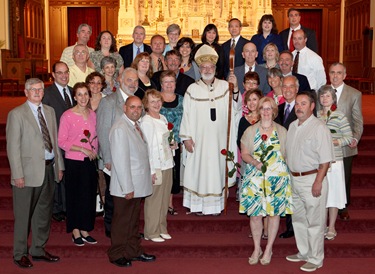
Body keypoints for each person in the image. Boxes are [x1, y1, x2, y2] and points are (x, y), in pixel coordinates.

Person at [7, 78, 63, 268]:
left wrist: (59, 166)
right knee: (23, 215)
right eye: (33, 90)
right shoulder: (17, 114)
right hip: (27, 173)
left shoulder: (49, 111)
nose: (38, 92)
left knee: (43, 214)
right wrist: (17, 174)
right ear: (26, 92)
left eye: (40, 89)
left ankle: (38, 249)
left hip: (48, 168)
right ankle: (19, 253)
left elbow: (54, 141)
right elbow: (12, 147)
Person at [179, 45, 241, 215]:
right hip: (199, 141)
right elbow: (187, 116)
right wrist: (186, 138)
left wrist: (235, 89)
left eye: (210, 67)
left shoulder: (224, 86)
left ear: (215, 68)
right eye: (204, 67)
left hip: (220, 141)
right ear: (199, 69)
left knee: (217, 171)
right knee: (200, 171)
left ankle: (216, 206)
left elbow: (236, 108)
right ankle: (199, 206)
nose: (207, 69)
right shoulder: (192, 89)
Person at [285, 91, 334, 272]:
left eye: (303, 104)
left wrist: (318, 182)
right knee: (298, 219)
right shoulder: (292, 126)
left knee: (315, 221)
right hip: (294, 179)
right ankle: (304, 252)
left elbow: (325, 160)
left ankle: (315, 258)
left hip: (312, 179)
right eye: (297, 104)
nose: (299, 107)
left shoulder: (319, 128)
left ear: (312, 106)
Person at [240, 97, 292, 266]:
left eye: (269, 108)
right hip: (255, 178)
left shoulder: (282, 131)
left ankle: (269, 247)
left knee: (274, 213)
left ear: (274, 111)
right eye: (263, 108)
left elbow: (286, 155)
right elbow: (245, 153)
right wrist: (255, 162)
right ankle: (257, 248)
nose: (266, 111)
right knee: (255, 215)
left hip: (276, 179)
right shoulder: (250, 131)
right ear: (259, 110)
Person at [107, 96, 155, 267]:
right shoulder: (120, 128)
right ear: (124, 108)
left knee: (133, 221)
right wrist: (127, 187)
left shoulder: (135, 125)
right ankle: (117, 254)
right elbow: (120, 162)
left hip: (137, 183)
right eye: (132, 107)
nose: (136, 110)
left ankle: (133, 251)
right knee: (122, 222)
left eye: (139, 107)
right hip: (126, 186)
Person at [97, 68, 139, 238]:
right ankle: (111, 228)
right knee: (114, 196)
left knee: (129, 196)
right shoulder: (108, 102)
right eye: (129, 80)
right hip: (113, 160)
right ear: (120, 80)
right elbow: (102, 130)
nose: (133, 84)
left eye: (136, 81)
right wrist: (107, 158)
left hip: (132, 160)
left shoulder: (136, 101)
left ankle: (127, 227)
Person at [58, 82, 98, 246]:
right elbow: (61, 141)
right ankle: (75, 230)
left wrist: (94, 150)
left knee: (88, 196)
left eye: (85, 94)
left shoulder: (92, 114)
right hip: (74, 161)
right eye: (79, 94)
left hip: (90, 161)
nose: (83, 97)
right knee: (75, 196)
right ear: (74, 97)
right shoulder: (67, 115)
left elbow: (95, 137)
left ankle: (84, 229)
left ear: (89, 96)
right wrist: (82, 149)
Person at [329, 62, 363, 220]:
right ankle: (326, 205)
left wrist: (355, 137)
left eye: (338, 73)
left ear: (344, 75)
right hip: (326, 143)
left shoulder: (354, 94)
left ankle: (343, 207)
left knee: (344, 176)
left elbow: (357, 120)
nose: (335, 76)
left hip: (345, 143)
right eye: (332, 72)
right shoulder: (322, 92)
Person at [317, 85, 352, 240]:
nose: (324, 99)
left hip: (335, 161)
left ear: (333, 99)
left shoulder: (340, 116)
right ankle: (322, 226)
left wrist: (335, 141)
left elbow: (349, 138)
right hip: (319, 162)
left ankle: (331, 227)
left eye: (327, 96)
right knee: (321, 195)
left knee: (333, 196)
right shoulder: (316, 116)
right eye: (322, 96)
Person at [42, 61, 75, 222]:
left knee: (68, 176)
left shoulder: (72, 91)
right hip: (55, 140)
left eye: (66, 72)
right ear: (54, 75)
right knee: (57, 176)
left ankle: (67, 206)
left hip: (72, 142)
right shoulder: (47, 94)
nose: (64, 75)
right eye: (60, 73)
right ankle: (57, 208)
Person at [141, 89, 175, 242]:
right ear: (146, 104)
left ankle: (161, 227)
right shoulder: (146, 121)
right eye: (152, 101)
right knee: (154, 200)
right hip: (156, 165)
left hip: (167, 163)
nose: (156, 104)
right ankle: (151, 231)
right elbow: (147, 147)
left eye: (158, 100)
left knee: (164, 198)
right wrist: (152, 170)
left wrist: (171, 145)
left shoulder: (162, 117)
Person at [275, 75, 299, 239]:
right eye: (285, 86)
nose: (288, 89)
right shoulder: (279, 108)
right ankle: (289, 227)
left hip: (297, 159)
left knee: (295, 194)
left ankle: (296, 227)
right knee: (285, 192)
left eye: (291, 86)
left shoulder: (302, 108)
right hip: (280, 158)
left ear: (297, 89)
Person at [159, 70, 184, 215]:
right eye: (166, 82)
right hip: (158, 144)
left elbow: (186, 121)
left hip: (175, 144)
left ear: (175, 84)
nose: (169, 85)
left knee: (173, 175)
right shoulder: (155, 98)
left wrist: (179, 141)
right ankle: (159, 203)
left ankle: (169, 203)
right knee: (160, 174)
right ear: (161, 84)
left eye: (171, 81)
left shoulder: (182, 99)